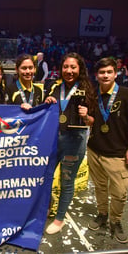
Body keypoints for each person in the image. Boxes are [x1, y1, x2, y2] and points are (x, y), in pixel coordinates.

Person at [87, 57, 128, 244]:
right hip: (95, 150)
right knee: (100, 187)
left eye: (109, 72)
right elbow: (94, 121)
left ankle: (116, 221)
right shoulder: (93, 94)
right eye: (102, 72)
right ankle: (102, 214)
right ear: (96, 75)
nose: (105, 75)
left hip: (118, 153)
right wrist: (87, 119)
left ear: (115, 73)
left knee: (119, 192)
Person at [45, 52, 96, 234]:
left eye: (73, 67)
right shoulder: (54, 87)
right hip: (52, 140)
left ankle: (59, 220)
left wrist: (86, 116)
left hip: (74, 141)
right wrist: (47, 101)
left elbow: (93, 121)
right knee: (46, 177)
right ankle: (47, 206)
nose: (69, 71)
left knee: (67, 181)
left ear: (80, 69)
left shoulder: (88, 89)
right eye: (65, 67)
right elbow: (47, 110)